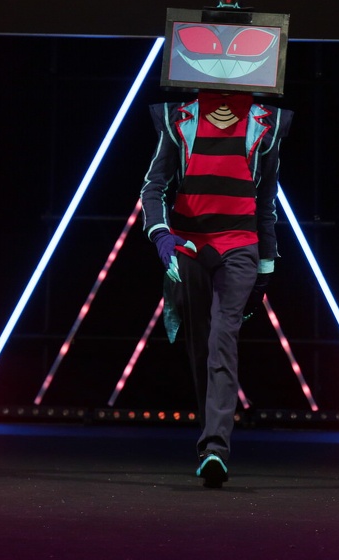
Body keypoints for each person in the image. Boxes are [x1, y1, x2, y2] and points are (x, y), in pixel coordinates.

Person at [140, 89, 293, 487]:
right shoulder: (180, 119)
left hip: (239, 244)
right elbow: (153, 186)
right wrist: (160, 234)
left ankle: (215, 449)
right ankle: (210, 439)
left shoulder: (265, 125)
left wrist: (266, 267)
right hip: (189, 245)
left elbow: (266, 200)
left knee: (222, 340)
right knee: (201, 347)